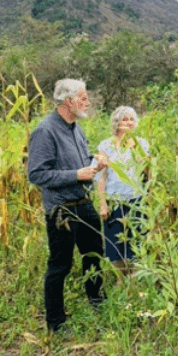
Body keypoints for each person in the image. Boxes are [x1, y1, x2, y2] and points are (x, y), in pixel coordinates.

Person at [27, 79, 108, 334]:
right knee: (60, 266)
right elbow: (37, 174)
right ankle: (56, 323)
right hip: (62, 210)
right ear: (68, 101)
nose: (88, 102)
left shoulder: (76, 128)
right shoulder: (46, 130)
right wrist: (76, 175)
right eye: (83, 98)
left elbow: (81, 162)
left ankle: (97, 302)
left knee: (94, 255)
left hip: (84, 203)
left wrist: (95, 163)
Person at [94, 106, 150, 276]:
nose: (129, 123)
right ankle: (120, 278)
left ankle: (134, 278)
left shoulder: (141, 144)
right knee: (114, 242)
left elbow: (149, 173)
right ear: (116, 123)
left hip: (136, 200)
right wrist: (103, 203)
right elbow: (101, 177)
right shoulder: (106, 145)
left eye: (132, 119)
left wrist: (138, 154)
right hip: (114, 200)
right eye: (125, 119)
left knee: (135, 241)